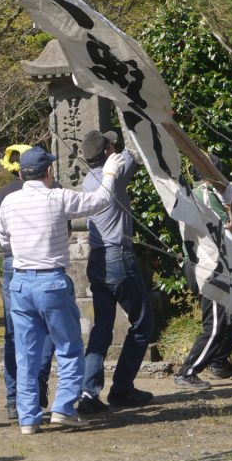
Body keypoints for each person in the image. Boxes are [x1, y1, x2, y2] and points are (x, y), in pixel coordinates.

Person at [0, 145, 126, 434]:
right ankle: (63, 408)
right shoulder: (58, 197)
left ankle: (28, 418)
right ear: (49, 171)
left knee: (25, 354)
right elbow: (100, 200)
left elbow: (3, 239)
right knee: (68, 346)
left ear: (21, 173)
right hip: (51, 280)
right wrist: (109, 172)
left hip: (19, 281)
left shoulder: (8, 202)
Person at [77, 129, 154, 413]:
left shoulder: (87, 180)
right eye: (111, 145)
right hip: (117, 256)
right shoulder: (115, 173)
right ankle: (122, 388)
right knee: (142, 323)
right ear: (107, 152)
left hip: (95, 258)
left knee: (102, 327)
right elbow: (134, 151)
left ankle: (88, 393)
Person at [0, 145, 54, 421]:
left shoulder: (2, 195)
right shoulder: (52, 192)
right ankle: (38, 379)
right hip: (44, 265)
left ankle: (13, 397)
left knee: (13, 333)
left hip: (12, 264)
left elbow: (1, 237)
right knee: (50, 325)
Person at [174, 154, 232, 390]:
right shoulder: (206, 195)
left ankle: (218, 362)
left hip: (203, 265)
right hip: (209, 266)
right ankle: (187, 371)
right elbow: (227, 228)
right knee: (215, 325)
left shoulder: (188, 194)